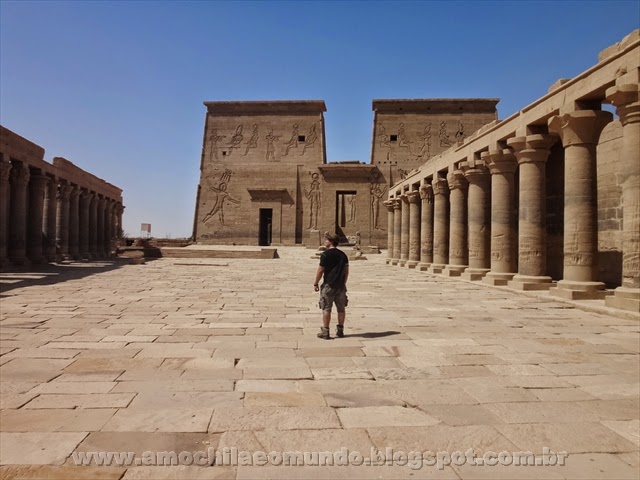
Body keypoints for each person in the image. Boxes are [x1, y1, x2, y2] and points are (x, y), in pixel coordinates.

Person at [313, 232, 349, 339]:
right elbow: (346, 271)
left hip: (329, 285)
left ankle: (326, 331)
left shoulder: (325, 254)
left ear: (331, 242)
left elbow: (320, 270)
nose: (325, 242)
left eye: (327, 240)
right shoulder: (343, 255)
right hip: (341, 286)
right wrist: (343, 283)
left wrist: (316, 283)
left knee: (326, 308)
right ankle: (340, 330)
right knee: (341, 309)